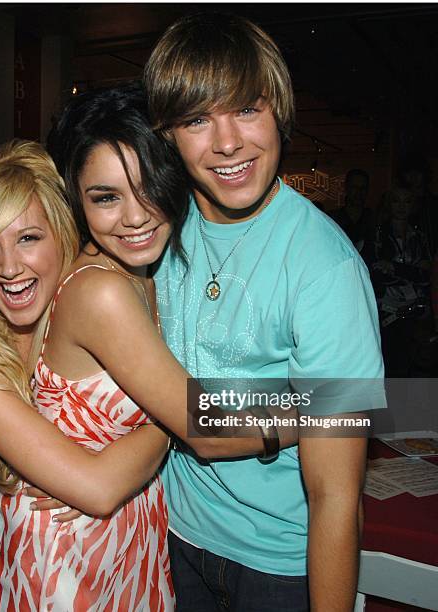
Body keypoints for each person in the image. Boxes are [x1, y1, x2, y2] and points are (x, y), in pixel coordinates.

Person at [141, 13, 384, 611]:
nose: (227, 143)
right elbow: (55, 273)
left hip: (279, 564)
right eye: (198, 119)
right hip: (169, 535)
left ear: (278, 110)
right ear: (167, 134)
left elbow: (336, 495)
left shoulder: (325, 267)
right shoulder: (153, 226)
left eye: (247, 109)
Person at [0, 140, 174, 612]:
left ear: (62, 234)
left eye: (28, 238)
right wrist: (167, 424)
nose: (8, 267)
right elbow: (99, 487)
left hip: (123, 552)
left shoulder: (90, 296)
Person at [366, 185, 433, 376]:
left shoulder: (420, 237)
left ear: (413, 205)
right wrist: (411, 272)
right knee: (389, 369)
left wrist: (394, 267)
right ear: (388, 203)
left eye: (407, 201)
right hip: (386, 315)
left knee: (414, 370)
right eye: (396, 200)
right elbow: (377, 274)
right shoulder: (377, 235)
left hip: (415, 315)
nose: (401, 206)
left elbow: (426, 276)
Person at [329, 168, 374, 252]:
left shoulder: (373, 219)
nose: (359, 192)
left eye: (363, 188)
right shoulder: (333, 219)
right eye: (355, 187)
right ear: (346, 188)